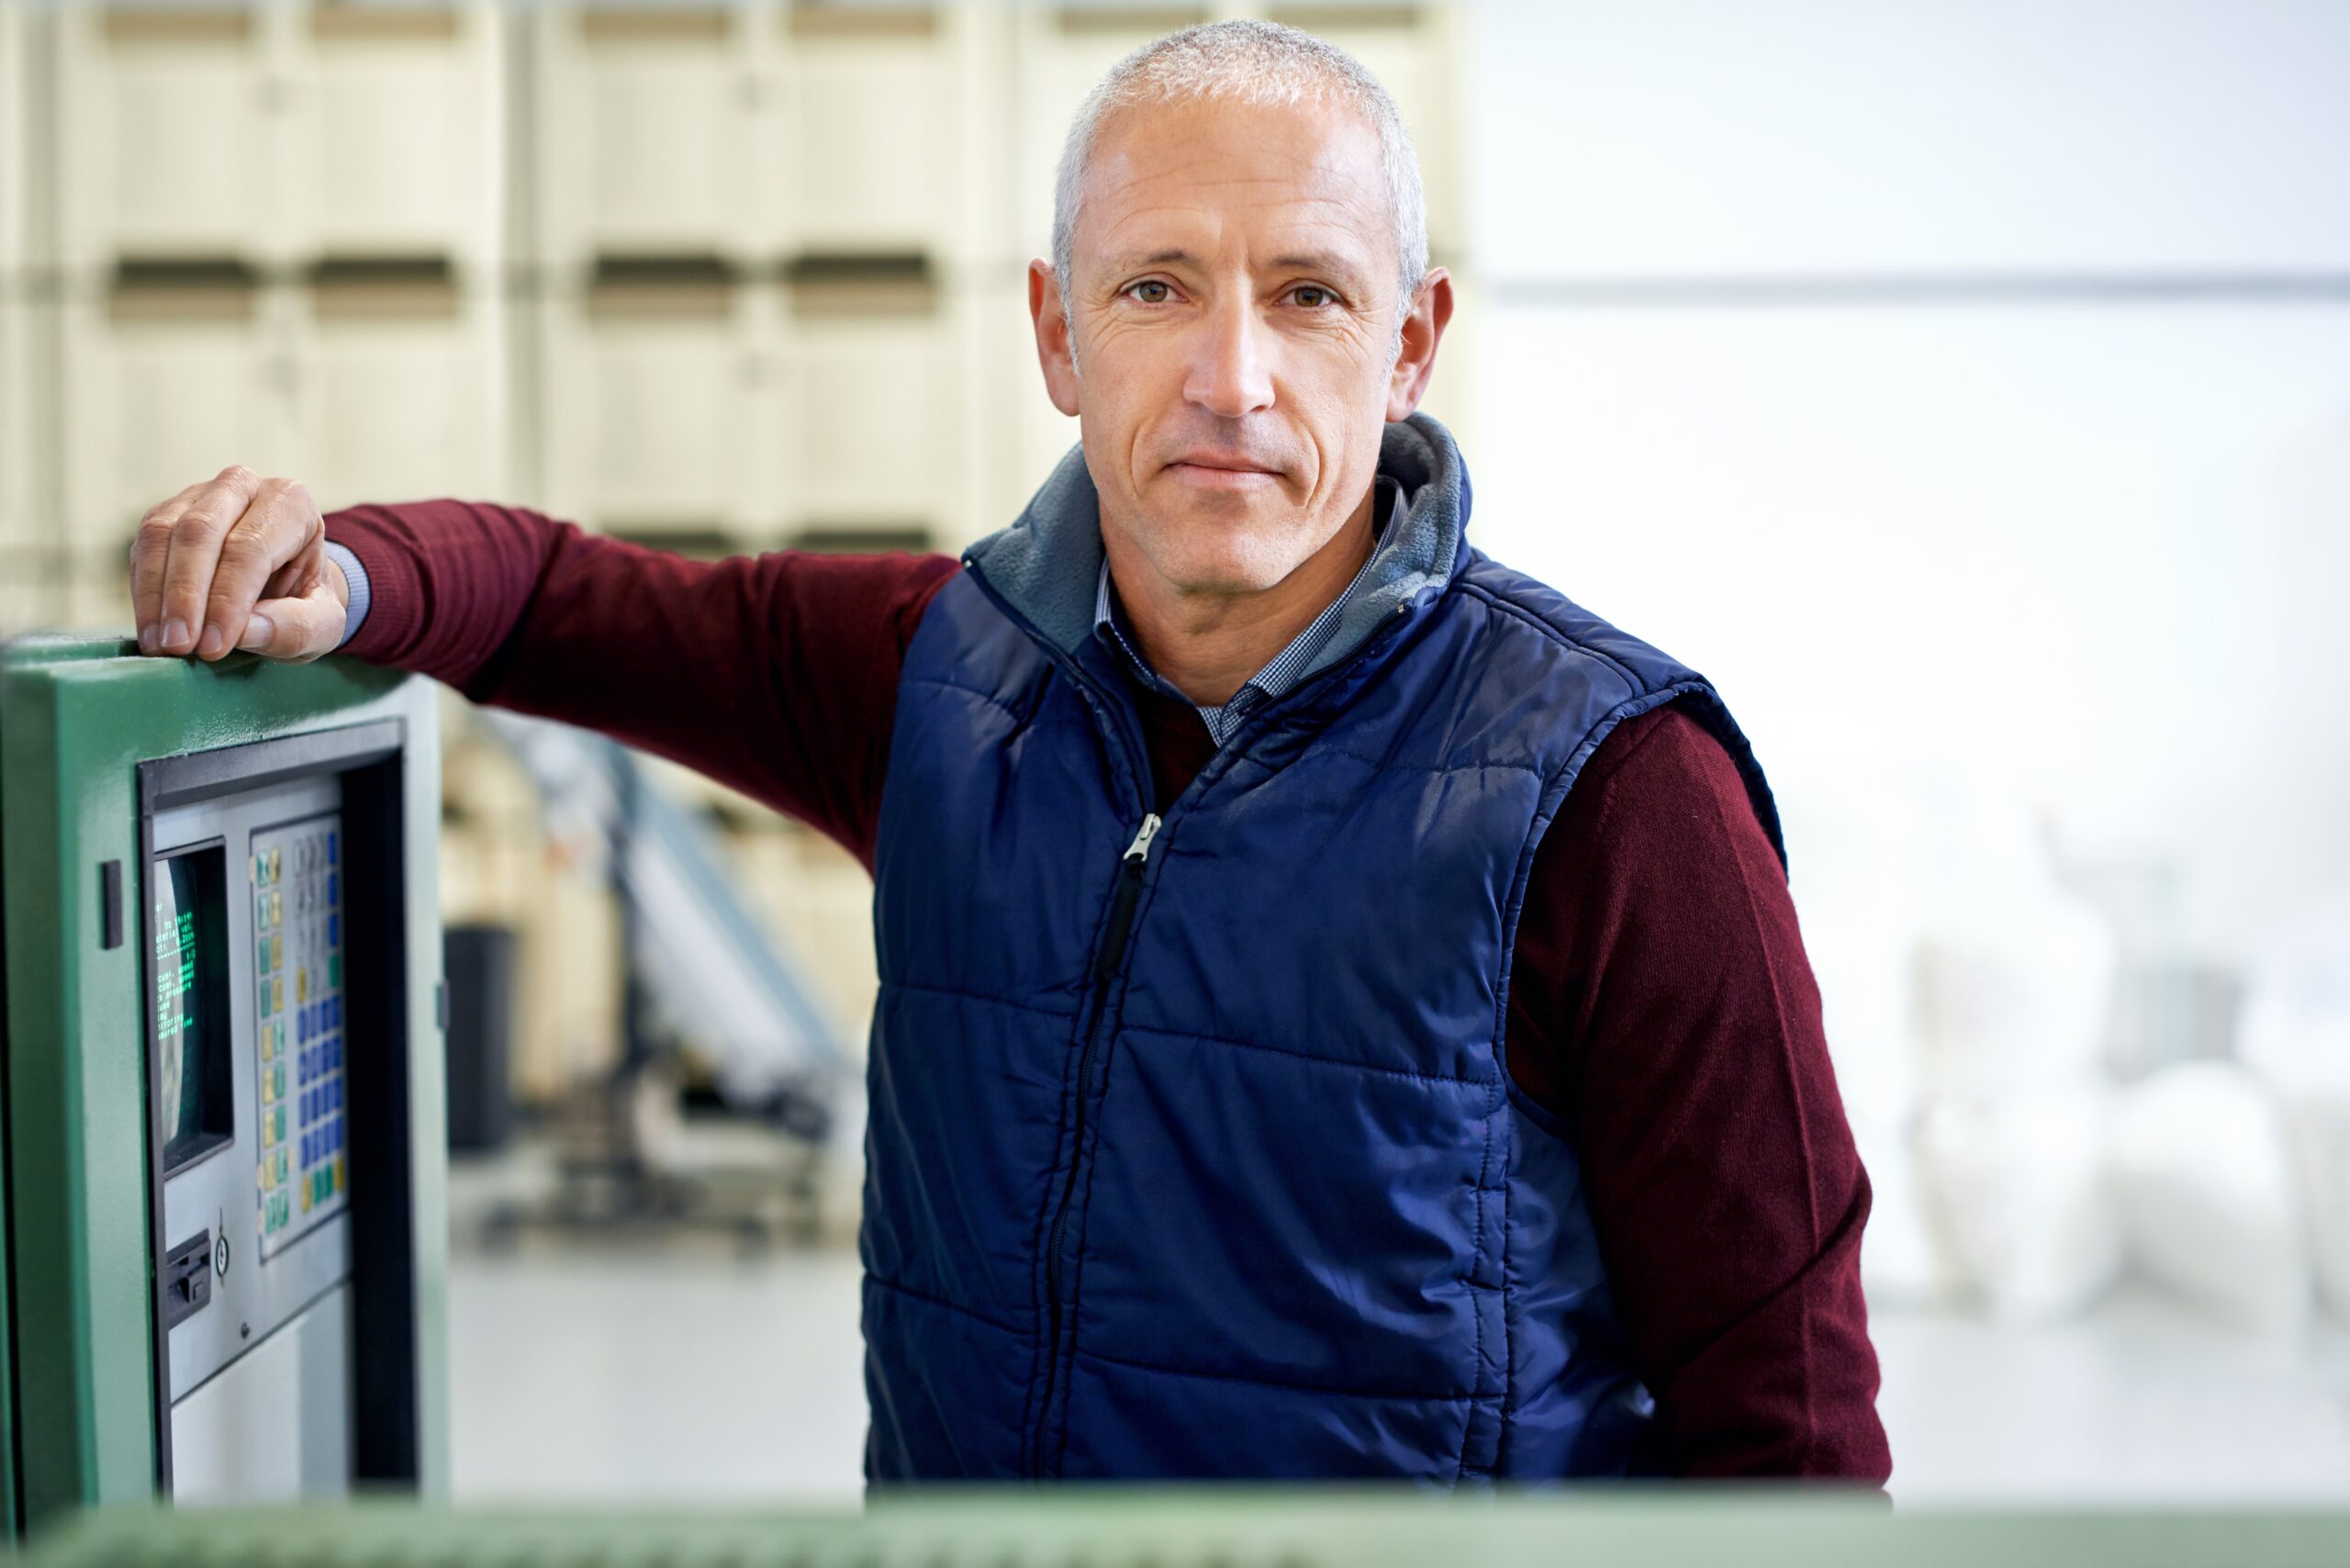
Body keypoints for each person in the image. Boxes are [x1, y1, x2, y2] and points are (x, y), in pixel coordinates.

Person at [129, 21, 1889, 1484]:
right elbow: (560, 601)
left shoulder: (1619, 794)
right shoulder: (938, 682)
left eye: (1309, 297)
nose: (1233, 377)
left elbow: (1793, 1446)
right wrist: (337, 565)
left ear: (1412, 343)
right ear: (1056, 332)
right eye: (1154, 286)